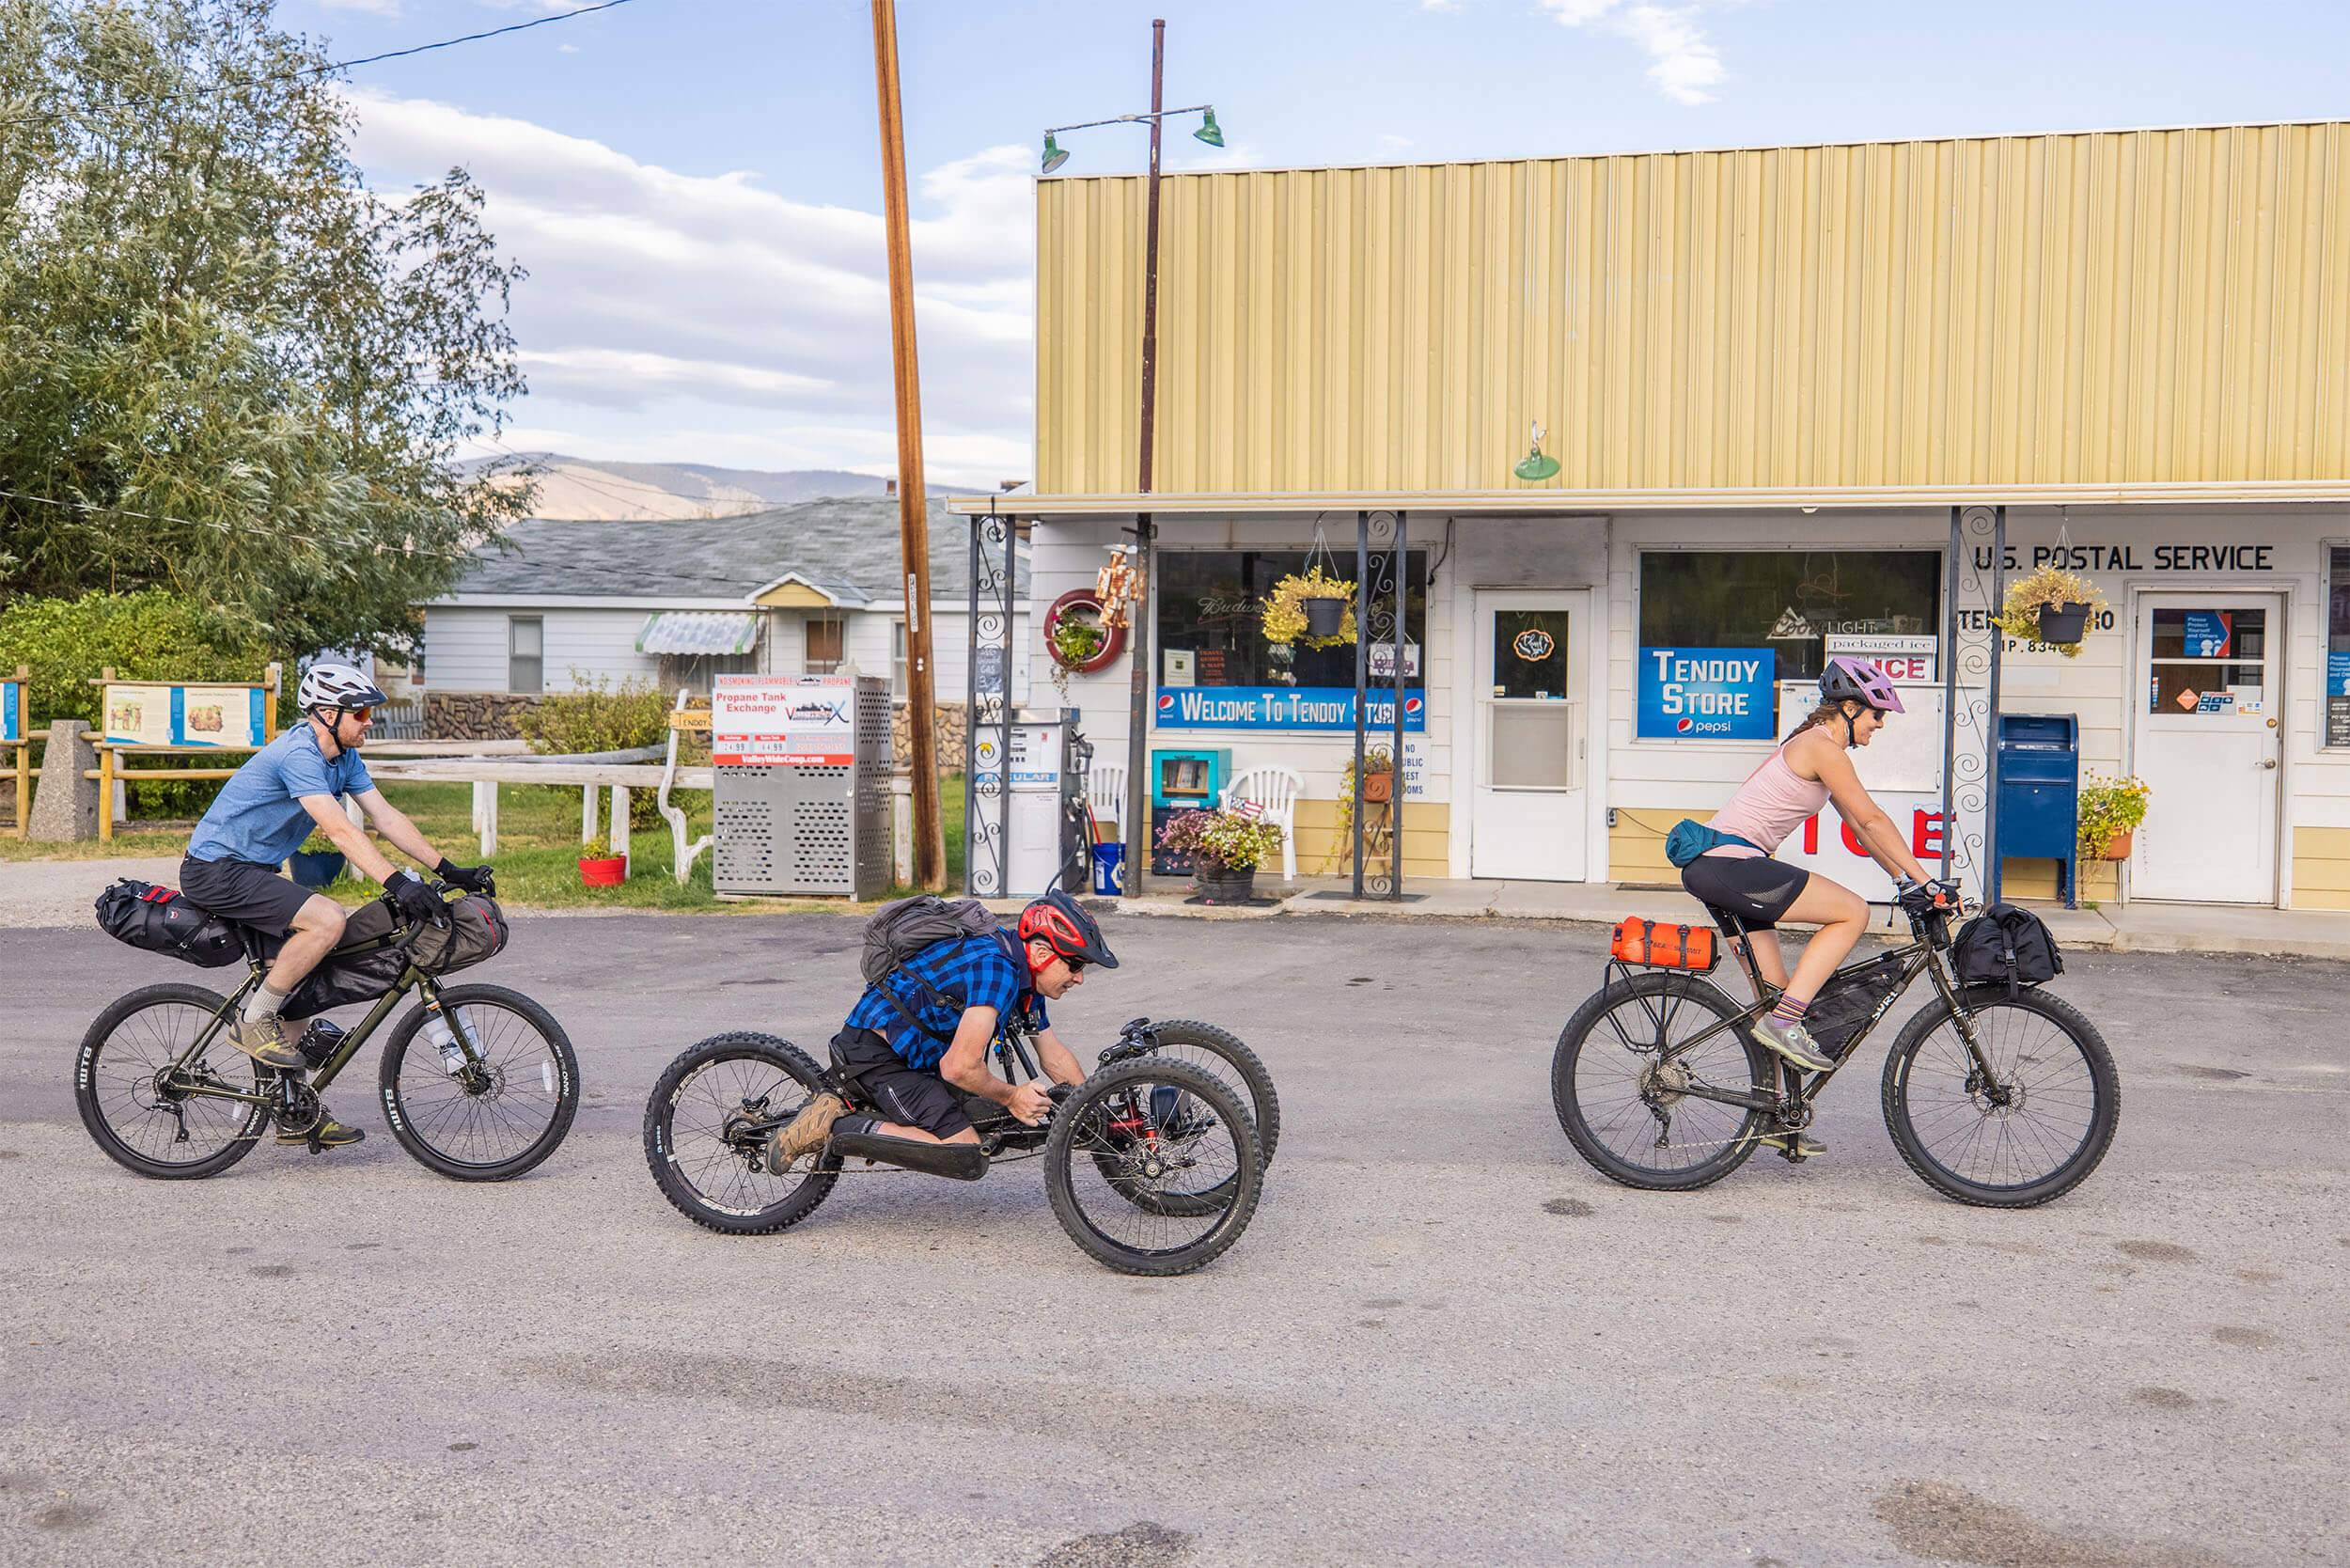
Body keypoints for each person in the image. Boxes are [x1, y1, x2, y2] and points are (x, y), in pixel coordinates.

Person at [180, 663, 496, 1149]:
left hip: (255, 872)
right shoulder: (299, 754)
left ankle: (294, 1111)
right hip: (216, 870)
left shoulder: (342, 757)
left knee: (296, 987)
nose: (370, 721)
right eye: (362, 712)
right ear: (328, 714)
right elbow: (340, 831)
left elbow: (385, 817)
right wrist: (395, 881)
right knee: (326, 920)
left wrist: (447, 869)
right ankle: (253, 1021)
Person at [1680, 657, 1956, 1130]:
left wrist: (1904, 879)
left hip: (1723, 867)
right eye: (1876, 715)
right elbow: (1871, 819)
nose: (1880, 725)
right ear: (1848, 708)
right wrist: (1926, 882)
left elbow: (1860, 829)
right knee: (1850, 912)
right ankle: (1787, 1021)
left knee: (1773, 997)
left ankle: (1773, 1120)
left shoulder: (1815, 746)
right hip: (1728, 865)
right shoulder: (1821, 746)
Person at [764, 889, 1118, 1175]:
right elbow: (959, 1067)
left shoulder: (1026, 979)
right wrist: (1013, 1097)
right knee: (965, 1152)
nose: (1079, 977)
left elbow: (1053, 1055)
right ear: (1041, 952)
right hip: (878, 1057)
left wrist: (1099, 1111)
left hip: (918, 1058)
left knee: (988, 1118)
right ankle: (835, 1124)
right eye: (1074, 964)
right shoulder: (998, 969)